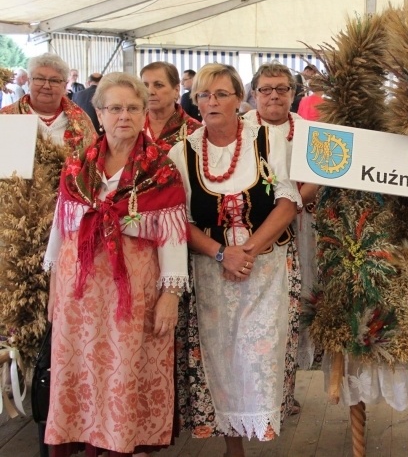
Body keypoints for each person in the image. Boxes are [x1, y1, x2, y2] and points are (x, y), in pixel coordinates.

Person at [43, 72, 189, 456]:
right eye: (115, 108)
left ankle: (121, 445)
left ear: (144, 113)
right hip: (80, 291)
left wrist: (170, 295)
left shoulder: (161, 168)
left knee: (124, 371)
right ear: (99, 113)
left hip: (132, 291)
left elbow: (173, 235)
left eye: (132, 107)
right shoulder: (78, 164)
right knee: (80, 369)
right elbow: (63, 226)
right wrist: (55, 284)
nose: (124, 115)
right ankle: (86, 439)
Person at [168, 63, 301, 457]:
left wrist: (248, 252)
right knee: (222, 358)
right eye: (204, 95)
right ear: (195, 101)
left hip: (267, 269)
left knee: (259, 354)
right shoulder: (183, 152)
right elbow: (181, 221)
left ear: (239, 99)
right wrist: (223, 253)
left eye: (222, 94)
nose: (212, 102)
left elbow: (287, 202)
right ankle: (233, 447)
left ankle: (262, 429)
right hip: (213, 272)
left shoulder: (267, 140)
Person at [0, 52, 96, 457]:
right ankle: (20, 400)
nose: (46, 86)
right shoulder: (9, 119)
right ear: (28, 81)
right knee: (18, 322)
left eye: (55, 80)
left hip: (67, 236)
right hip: (15, 239)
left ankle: (56, 408)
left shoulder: (81, 122)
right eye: (39, 78)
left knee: (58, 321)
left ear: (65, 84)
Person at [244, 61, 319, 407]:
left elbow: (320, 176)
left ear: (293, 93)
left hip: (300, 226)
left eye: (282, 89)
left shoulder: (309, 130)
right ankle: (250, 393)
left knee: (291, 309)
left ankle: (285, 392)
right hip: (250, 232)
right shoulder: (239, 129)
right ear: (254, 94)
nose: (274, 96)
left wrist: (290, 209)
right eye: (266, 89)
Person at [141, 62, 202, 152]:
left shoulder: (195, 131)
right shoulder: (133, 125)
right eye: (145, 85)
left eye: (158, 85)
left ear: (176, 90)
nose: (150, 91)